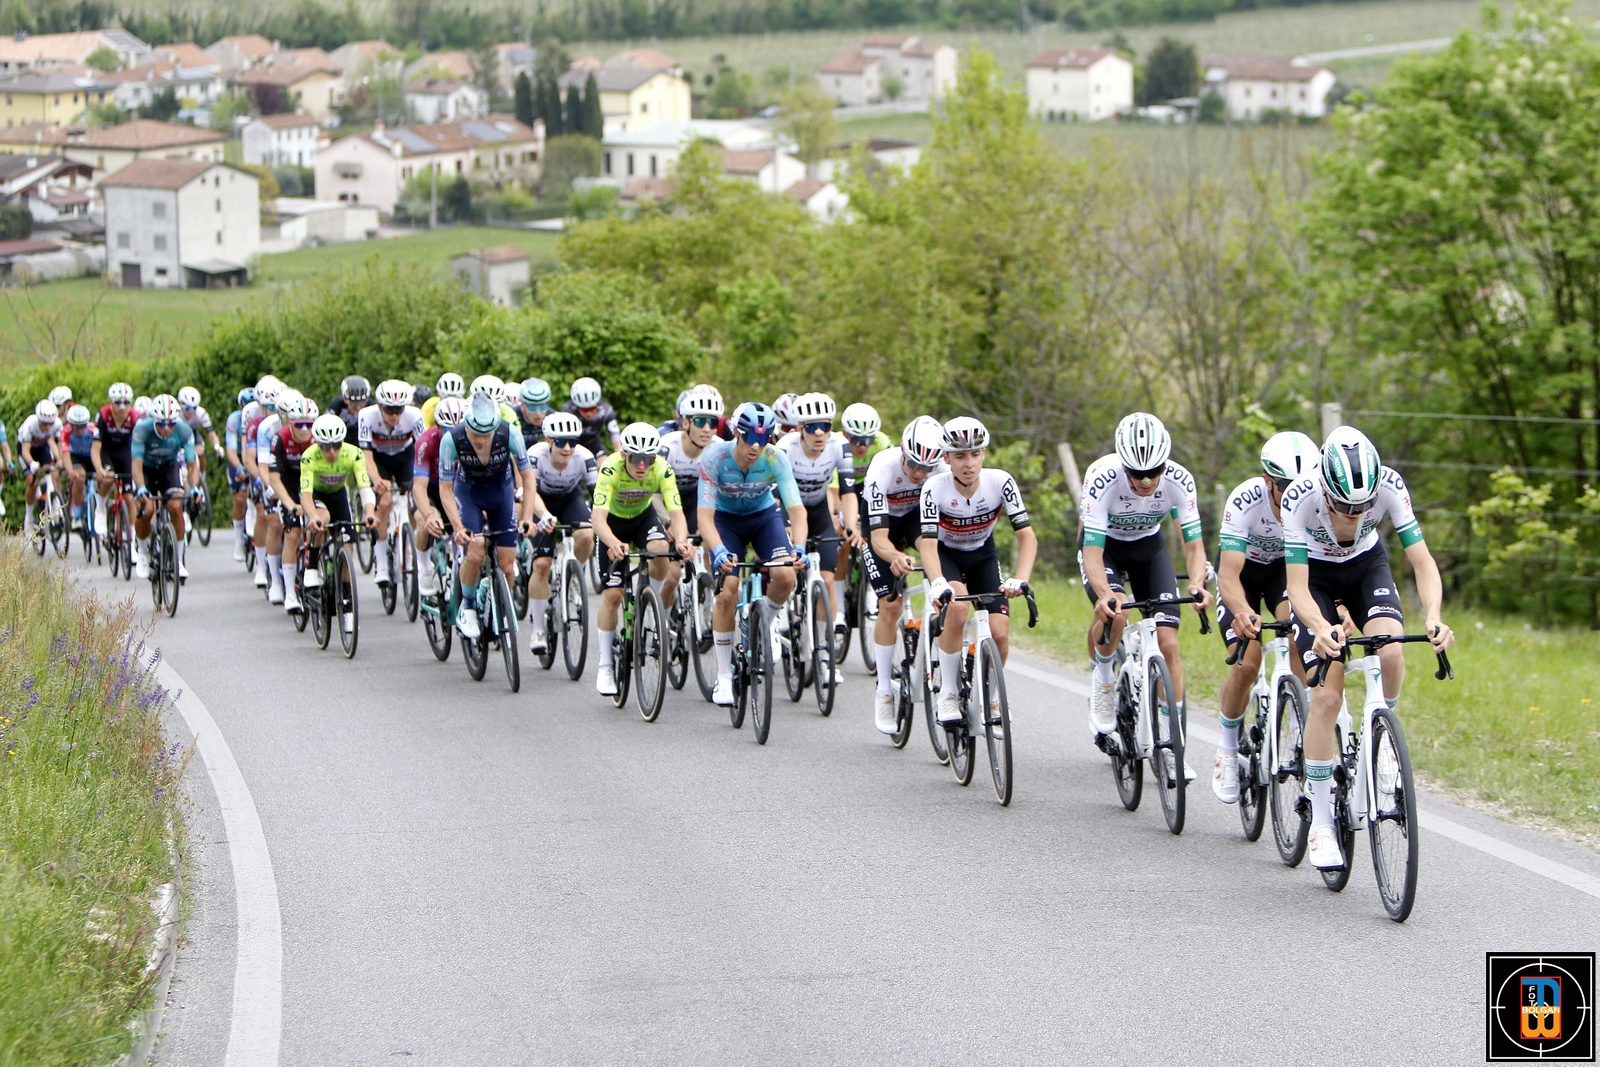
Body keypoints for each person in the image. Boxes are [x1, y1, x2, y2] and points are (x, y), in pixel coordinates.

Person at [1283, 425, 1454, 871]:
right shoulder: (1299, 497)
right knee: (1327, 695)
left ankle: (1382, 740)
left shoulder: (1391, 485)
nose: (1355, 516)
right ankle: (1321, 821)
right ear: (1325, 489)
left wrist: (1434, 616)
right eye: (1344, 507)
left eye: (1364, 508)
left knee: (1391, 649)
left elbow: (1423, 562)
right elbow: (1296, 588)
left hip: (1365, 566)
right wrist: (1321, 627)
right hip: (1315, 577)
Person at [1079, 412, 1212, 784]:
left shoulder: (1180, 480)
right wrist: (1106, 594)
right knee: (1116, 613)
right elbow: (1091, 552)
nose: (1147, 481)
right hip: (1105, 550)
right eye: (1137, 474)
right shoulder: (1102, 479)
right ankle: (1103, 679)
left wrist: (1197, 583)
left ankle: (1171, 747)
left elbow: (1193, 546)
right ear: (1123, 464)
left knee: (1169, 644)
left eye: (1154, 472)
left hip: (1148, 549)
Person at [1212, 430, 1320, 803]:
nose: (1293, 495)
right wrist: (1243, 612)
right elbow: (1227, 575)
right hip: (1241, 576)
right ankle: (1227, 749)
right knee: (1246, 664)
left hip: (1283, 576)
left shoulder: (1315, 503)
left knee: (1299, 631)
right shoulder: (1245, 500)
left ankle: (1297, 722)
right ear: (1267, 480)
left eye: (1301, 487)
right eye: (1285, 487)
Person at [919, 417, 1037, 724]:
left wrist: (1020, 579)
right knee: (957, 609)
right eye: (959, 456)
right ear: (946, 458)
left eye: (975, 453)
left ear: (984, 453)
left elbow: (1027, 537)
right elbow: (928, 545)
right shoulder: (934, 487)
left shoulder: (1001, 482)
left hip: (983, 555)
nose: (969, 463)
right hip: (946, 555)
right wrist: (938, 582)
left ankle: (992, 698)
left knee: (999, 633)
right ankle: (947, 692)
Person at [697, 403, 807, 707]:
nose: (756, 446)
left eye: (764, 439)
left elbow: (797, 510)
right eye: (750, 438)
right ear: (736, 433)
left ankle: (763, 622)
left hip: (763, 518)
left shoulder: (776, 458)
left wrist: (799, 546)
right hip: (725, 521)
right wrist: (718, 550)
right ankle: (723, 675)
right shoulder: (715, 458)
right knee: (727, 591)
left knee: (785, 575)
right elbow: (704, 517)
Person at [860, 416, 949, 732]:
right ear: (902, 449)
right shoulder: (881, 469)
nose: (919, 473)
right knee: (891, 605)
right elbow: (878, 539)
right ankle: (884, 690)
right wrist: (896, 556)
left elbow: (939, 532)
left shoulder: (942, 471)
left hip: (913, 518)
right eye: (913, 464)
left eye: (927, 468)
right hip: (882, 522)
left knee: (934, 552)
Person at [590, 422, 691, 694]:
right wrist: (612, 542)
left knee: (661, 549)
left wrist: (682, 541)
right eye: (636, 458)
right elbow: (597, 519)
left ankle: (651, 603)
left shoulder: (662, 468)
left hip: (642, 518)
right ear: (624, 455)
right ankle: (605, 666)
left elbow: (677, 514)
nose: (643, 465)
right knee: (613, 596)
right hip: (612, 524)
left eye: (649, 458)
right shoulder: (610, 468)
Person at [436, 395, 541, 640]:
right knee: (475, 551)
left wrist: (527, 517)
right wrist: (458, 527)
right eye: (476, 434)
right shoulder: (452, 439)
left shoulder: (510, 433)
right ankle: (468, 606)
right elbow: (445, 488)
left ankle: (500, 604)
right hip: (469, 493)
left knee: (507, 565)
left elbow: (528, 479)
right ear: (465, 425)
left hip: (500, 493)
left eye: (487, 435)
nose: (482, 440)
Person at [775, 392, 859, 634]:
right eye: (812, 427)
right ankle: (782, 612)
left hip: (819, 511)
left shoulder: (839, 445)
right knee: (788, 569)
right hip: (789, 509)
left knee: (827, 580)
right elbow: (775, 496)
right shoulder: (785, 447)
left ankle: (823, 648)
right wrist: (783, 526)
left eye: (825, 426)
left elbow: (848, 493)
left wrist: (850, 526)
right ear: (801, 428)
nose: (819, 433)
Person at [524, 410, 597, 653]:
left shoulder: (584, 457)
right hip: (540, 501)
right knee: (542, 564)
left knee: (586, 534)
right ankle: (538, 629)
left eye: (572, 442)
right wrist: (544, 515)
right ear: (549, 441)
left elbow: (599, 495)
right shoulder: (535, 455)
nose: (567, 449)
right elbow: (530, 492)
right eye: (561, 442)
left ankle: (574, 575)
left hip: (569, 500)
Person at [298, 413, 377, 587]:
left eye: (336, 445)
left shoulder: (354, 454)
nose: (332, 451)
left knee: (348, 545)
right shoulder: (309, 456)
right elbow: (306, 495)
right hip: (316, 494)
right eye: (326, 446)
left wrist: (370, 512)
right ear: (317, 443)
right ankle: (312, 567)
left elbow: (364, 487)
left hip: (338, 494)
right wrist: (313, 516)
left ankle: (346, 591)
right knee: (322, 519)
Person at [357, 379, 423, 586]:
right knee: (384, 502)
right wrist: (377, 481)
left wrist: (420, 482)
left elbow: (423, 451)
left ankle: (413, 550)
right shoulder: (366, 416)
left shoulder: (414, 415)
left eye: (398, 409)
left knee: (415, 502)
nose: (394, 415)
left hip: (405, 456)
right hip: (379, 458)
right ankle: (381, 563)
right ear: (379, 406)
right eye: (389, 410)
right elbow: (366, 457)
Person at [130, 394, 199, 580]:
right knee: (147, 510)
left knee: (176, 506)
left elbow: (192, 464)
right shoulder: (142, 429)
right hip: (146, 470)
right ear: (154, 420)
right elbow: (136, 464)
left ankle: (178, 560)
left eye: (171, 423)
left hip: (169, 468)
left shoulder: (184, 431)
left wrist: (194, 487)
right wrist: (141, 487)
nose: (166, 428)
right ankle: (142, 552)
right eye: (161, 423)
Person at [266, 393, 317, 614]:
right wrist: (289, 504)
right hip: (287, 483)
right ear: (290, 423)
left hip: (312, 482)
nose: (305, 429)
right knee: (292, 534)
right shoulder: (280, 438)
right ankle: (289, 592)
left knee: (318, 526)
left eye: (309, 425)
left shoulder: (319, 437)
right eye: (299, 425)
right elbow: (273, 477)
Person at [410, 396, 467, 597]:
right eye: (448, 431)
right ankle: (424, 568)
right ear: (438, 427)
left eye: (459, 430)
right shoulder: (426, 442)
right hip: (430, 489)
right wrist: (428, 515)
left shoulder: (472, 441)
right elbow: (419, 487)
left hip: (455, 488)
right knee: (427, 522)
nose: (454, 436)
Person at [659, 386, 723, 536]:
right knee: (667, 542)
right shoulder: (666, 446)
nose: (707, 429)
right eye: (700, 422)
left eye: (713, 423)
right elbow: (653, 493)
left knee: (708, 536)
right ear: (685, 423)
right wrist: (668, 522)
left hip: (696, 499)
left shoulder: (719, 448)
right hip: (665, 497)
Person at [91, 383, 139, 545]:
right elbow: (95, 447)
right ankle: (100, 508)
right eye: (118, 402)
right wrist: (99, 469)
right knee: (108, 478)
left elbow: (138, 448)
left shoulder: (134, 418)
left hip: (124, 452)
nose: (122, 407)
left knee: (129, 497)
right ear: (111, 403)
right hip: (106, 451)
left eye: (126, 402)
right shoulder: (103, 415)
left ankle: (133, 539)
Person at [17, 399, 63, 539]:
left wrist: (59, 459)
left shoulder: (57, 424)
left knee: (52, 472)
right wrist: (31, 463)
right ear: (38, 419)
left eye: (50, 424)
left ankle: (53, 502)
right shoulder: (30, 424)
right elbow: (25, 451)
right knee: (33, 482)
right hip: (26, 450)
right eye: (44, 424)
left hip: (42, 447)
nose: (48, 427)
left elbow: (56, 444)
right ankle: (29, 518)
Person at [223, 387, 255, 561]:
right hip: (238, 458)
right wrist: (240, 467)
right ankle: (239, 541)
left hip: (255, 457)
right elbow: (230, 451)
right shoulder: (234, 419)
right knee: (241, 498)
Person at [562, 376, 622, 457]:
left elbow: (614, 432)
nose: (589, 413)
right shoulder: (567, 410)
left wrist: (618, 449)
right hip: (572, 445)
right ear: (577, 406)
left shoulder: (605, 410)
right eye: (584, 410)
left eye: (592, 408)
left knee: (603, 459)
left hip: (593, 444)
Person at [61, 404, 97, 531]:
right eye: (76, 427)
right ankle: (76, 515)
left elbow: (101, 450)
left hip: (92, 456)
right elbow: (65, 454)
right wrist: (70, 471)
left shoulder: (93, 430)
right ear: (70, 425)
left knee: (100, 480)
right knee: (79, 478)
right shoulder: (65, 431)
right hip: (76, 457)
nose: (79, 430)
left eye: (82, 426)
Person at [177, 387, 224, 476]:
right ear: (181, 405)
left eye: (194, 408)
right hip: (178, 435)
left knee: (200, 452)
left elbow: (211, 433)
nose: (191, 412)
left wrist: (217, 446)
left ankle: (202, 476)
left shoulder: (201, 413)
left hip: (193, 434)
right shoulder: (176, 414)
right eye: (188, 409)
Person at [516, 378, 553, 448]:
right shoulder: (512, 417)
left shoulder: (552, 417)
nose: (538, 413)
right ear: (522, 405)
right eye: (532, 408)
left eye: (542, 407)